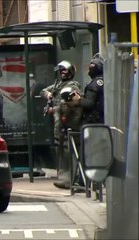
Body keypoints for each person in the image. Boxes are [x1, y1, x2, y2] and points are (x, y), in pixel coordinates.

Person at [40, 60, 81, 189]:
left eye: (65, 71)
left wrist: (54, 109)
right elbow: (43, 91)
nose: (63, 73)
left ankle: (70, 179)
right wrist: (48, 95)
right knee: (61, 151)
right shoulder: (58, 85)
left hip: (68, 123)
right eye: (61, 71)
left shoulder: (72, 86)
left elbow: (71, 105)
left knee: (68, 151)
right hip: (59, 124)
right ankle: (64, 177)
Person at [68, 54, 104, 124]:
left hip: (93, 122)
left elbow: (89, 103)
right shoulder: (104, 80)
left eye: (92, 66)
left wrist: (78, 100)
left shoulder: (94, 84)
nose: (89, 69)